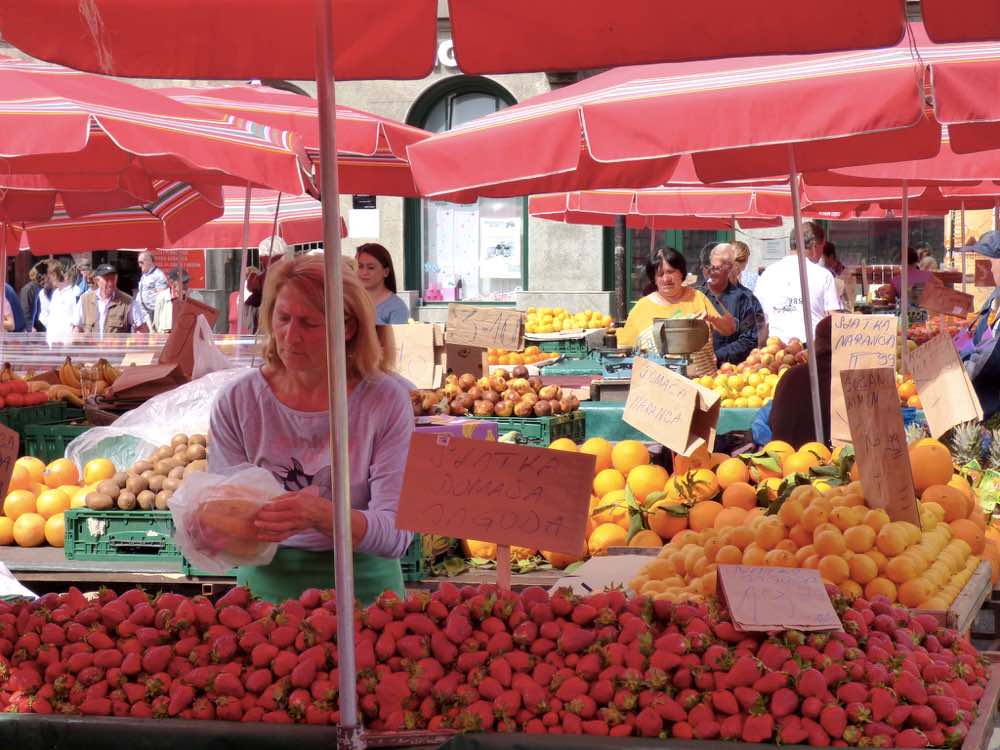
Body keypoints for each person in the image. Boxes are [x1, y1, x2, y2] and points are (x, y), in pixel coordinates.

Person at [208, 254, 414, 604]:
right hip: (265, 588)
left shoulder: (385, 401)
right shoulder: (238, 401)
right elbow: (224, 513)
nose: (291, 335)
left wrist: (320, 516)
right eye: (283, 318)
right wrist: (208, 522)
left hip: (367, 591)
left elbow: (396, 533)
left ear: (347, 328)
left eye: (308, 323)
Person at [619, 247, 734, 377]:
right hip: (659, 388)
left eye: (671, 272)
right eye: (660, 274)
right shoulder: (641, 308)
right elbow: (624, 349)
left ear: (681, 273)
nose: (666, 279)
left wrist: (712, 318)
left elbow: (729, 328)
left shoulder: (698, 297)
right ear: (654, 279)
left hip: (704, 386)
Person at [753, 220, 841, 344]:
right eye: (823, 247)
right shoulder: (823, 275)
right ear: (815, 246)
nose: (822, 254)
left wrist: (760, 352)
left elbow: (760, 319)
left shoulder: (767, 273)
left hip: (776, 351)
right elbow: (834, 320)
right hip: (811, 352)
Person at [768, 314, 833, 446]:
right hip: (830, 461)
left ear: (816, 343)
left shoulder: (791, 375)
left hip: (785, 459)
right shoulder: (849, 380)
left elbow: (773, 422)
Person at [698, 243, 763, 365]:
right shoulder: (693, 295)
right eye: (708, 268)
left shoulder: (746, 299)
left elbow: (751, 339)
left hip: (731, 374)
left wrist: (717, 356)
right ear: (703, 269)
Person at [961, 232, 1000, 421]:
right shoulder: (994, 298)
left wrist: (966, 367)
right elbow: (979, 337)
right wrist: (954, 352)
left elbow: (990, 357)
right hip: (981, 409)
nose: (989, 268)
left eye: (991, 261)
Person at [74, 264, 135, 336]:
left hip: (115, 347)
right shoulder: (84, 300)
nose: (111, 283)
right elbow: (77, 328)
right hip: (91, 347)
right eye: (107, 279)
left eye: (113, 279)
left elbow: (140, 329)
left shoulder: (128, 302)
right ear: (97, 280)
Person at [356, 243, 409, 324]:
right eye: (360, 266)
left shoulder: (397, 308)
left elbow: (396, 336)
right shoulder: (347, 302)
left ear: (386, 272)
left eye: (371, 268)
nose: (364, 272)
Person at [38, 262, 78, 342]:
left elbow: (76, 320)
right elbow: (49, 315)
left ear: (64, 276)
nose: (51, 278)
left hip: (66, 342)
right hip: (53, 340)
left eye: (53, 275)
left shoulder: (74, 292)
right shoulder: (56, 293)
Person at [135, 250, 168, 326]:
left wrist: (157, 317)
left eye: (141, 262)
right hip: (144, 314)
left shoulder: (158, 275)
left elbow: (162, 298)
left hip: (154, 314)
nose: (139, 265)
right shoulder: (144, 275)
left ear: (149, 261)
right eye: (139, 263)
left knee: (155, 337)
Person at [152, 268, 189, 333]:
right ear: (172, 283)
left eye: (187, 281)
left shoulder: (196, 297)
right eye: (183, 282)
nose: (186, 285)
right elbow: (157, 321)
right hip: (167, 336)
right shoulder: (162, 297)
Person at [19, 263, 44, 332]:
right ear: (40, 276)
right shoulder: (29, 289)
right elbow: (25, 310)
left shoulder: (37, 289)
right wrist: (30, 327)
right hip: (30, 331)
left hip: (35, 328)